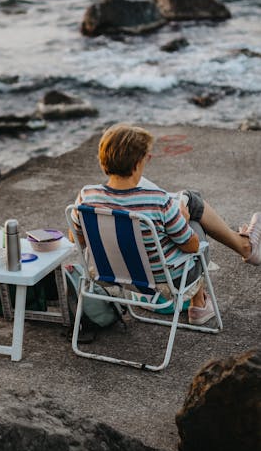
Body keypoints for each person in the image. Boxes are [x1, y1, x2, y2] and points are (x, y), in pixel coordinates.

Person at [70, 123, 261, 326]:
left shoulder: (86, 196)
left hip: (109, 276)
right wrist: (184, 221)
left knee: (187, 202)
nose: (148, 160)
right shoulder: (159, 201)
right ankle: (201, 302)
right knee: (193, 215)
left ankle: (243, 250)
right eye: (147, 157)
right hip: (167, 281)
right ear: (136, 164)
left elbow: (77, 238)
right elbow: (192, 247)